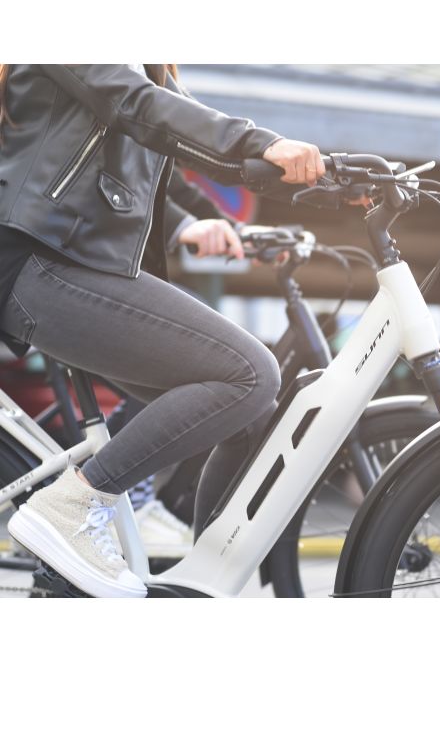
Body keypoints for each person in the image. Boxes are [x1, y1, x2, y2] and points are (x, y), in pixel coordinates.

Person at [0, 64, 324, 597]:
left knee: (251, 414)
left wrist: (330, 173)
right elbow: (139, 104)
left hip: (79, 262)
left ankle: (201, 586)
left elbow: (180, 129)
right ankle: (74, 504)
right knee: (249, 373)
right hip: (36, 259)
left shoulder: (143, 63)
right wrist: (263, 143)